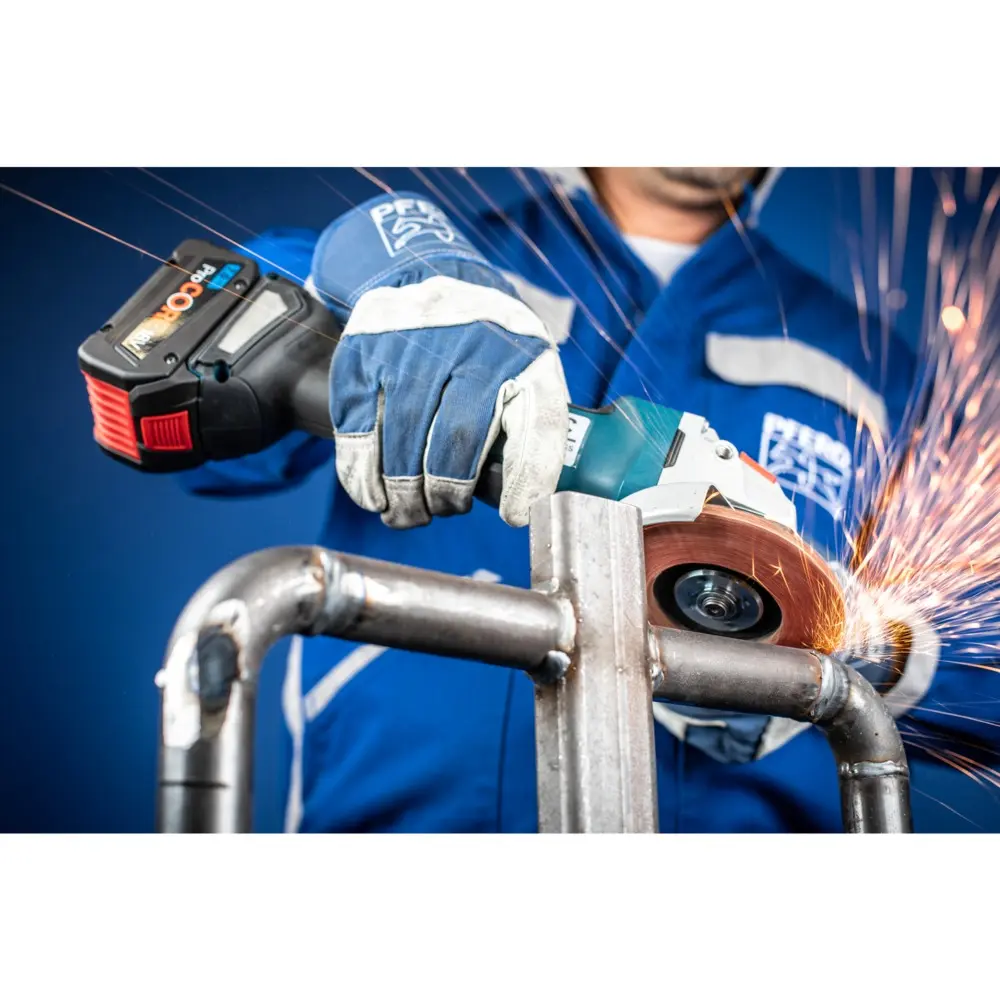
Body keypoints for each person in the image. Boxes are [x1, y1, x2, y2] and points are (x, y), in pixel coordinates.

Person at [180, 167, 952, 832]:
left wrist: (849, 641)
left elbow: (984, 666)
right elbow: (192, 360)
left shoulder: (871, 366)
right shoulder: (445, 264)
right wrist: (373, 278)